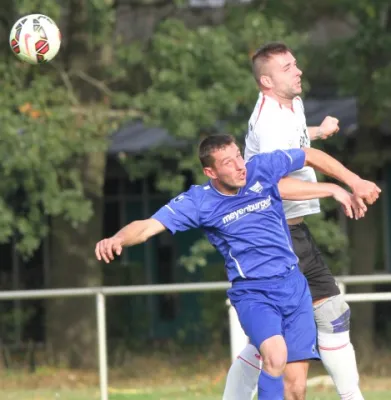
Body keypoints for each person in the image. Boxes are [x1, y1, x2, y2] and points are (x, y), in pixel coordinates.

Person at [95, 134, 379, 400]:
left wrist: (351, 183)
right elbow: (147, 227)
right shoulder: (199, 202)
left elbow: (309, 154)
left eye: (239, 156)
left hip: (294, 287)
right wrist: (118, 238)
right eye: (228, 162)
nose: (240, 166)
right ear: (211, 173)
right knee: (275, 356)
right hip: (254, 293)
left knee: (295, 388)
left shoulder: (261, 170)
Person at [223, 42, 379, 400]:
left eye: (295, 64)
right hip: (273, 238)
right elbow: (277, 184)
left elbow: (296, 142)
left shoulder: (290, 104)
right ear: (266, 80)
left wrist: (318, 131)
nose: (299, 71)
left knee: (327, 315)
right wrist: (338, 188)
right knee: (286, 343)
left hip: (292, 232)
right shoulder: (270, 120)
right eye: (288, 67)